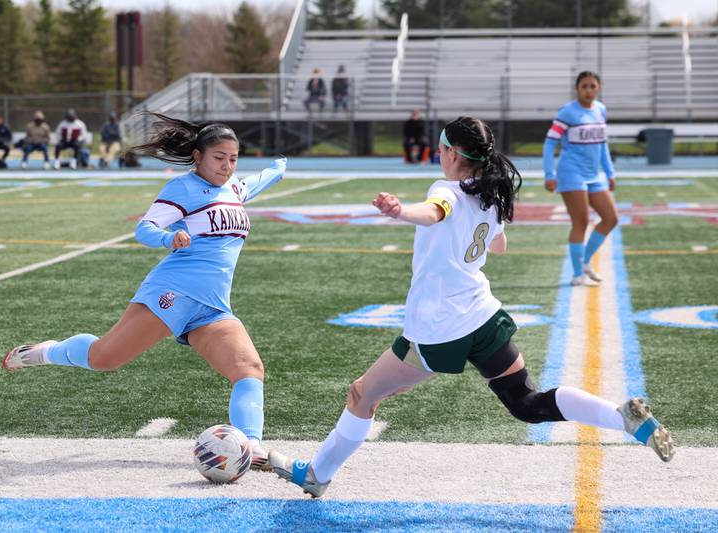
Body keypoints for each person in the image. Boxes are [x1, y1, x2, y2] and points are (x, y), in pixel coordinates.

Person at [268, 116, 674, 498]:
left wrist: (400, 211)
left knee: (362, 394)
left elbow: (434, 212)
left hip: (439, 327)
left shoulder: (446, 190)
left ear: (453, 153)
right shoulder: (491, 194)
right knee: (526, 403)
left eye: (440, 147)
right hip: (483, 318)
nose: (438, 153)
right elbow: (498, 244)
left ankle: (317, 475)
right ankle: (622, 417)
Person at [2, 113, 287, 471]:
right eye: (219, 157)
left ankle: (251, 447)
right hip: (173, 292)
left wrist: (279, 167)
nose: (227, 166)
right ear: (197, 156)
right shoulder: (182, 188)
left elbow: (254, 183)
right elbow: (145, 228)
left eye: (233, 159)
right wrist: (170, 238)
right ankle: (45, 352)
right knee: (104, 358)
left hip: (212, 307)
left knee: (249, 369)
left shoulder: (233, 189)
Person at [543, 71, 618, 286]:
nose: (588, 90)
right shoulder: (567, 112)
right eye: (584, 86)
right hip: (571, 173)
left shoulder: (600, 109)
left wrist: (610, 172)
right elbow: (550, 143)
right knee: (581, 222)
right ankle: (577, 274)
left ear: (599, 88)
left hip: (594, 175)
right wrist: (549, 174)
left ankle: (584, 261)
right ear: (577, 89)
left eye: (593, 86)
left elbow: (602, 145)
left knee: (611, 218)